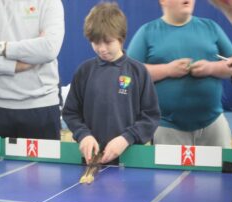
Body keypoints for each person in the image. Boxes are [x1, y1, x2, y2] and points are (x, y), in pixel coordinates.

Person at [62, 2, 160, 164]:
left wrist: (126, 138)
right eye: (95, 42)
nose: (101, 49)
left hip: (130, 159)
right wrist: (83, 135)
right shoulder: (84, 71)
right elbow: (71, 113)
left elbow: (151, 116)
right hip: (91, 159)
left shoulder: (138, 72)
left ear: (121, 38)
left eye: (108, 42)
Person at [127, 0, 232, 148]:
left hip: (214, 126)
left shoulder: (211, 27)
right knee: (168, 173)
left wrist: (211, 68)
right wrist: (167, 70)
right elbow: (130, 73)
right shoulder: (147, 32)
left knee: (223, 171)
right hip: (167, 129)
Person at [0, 0, 65, 140]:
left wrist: (2, 47)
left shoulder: (49, 2)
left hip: (41, 106)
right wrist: (15, 66)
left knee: (44, 163)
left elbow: (48, 49)